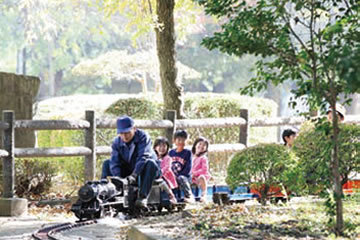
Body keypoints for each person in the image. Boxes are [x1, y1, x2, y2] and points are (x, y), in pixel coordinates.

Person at [101, 115, 160, 207]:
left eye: (127, 133)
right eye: (121, 133)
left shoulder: (143, 137)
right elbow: (114, 161)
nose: (124, 136)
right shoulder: (116, 142)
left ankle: (143, 197)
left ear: (134, 129)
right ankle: (105, 194)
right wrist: (118, 178)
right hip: (129, 167)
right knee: (107, 163)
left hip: (146, 169)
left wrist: (134, 175)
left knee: (150, 163)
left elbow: (143, 157)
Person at [169, 130, 194, 203]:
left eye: (184, 140)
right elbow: (168, 165)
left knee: (181, 178)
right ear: (174, 141)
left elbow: (188, 167)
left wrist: (180, 175)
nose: (181, 142)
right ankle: (173, 197)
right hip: (173, 175)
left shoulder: (187, 152)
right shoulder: (171, 152)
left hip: (185, 177)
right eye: (179, 140)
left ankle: (189, 195)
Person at [153, 137, 178, 204]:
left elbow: (167, 168)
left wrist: (160, 173)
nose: (162, 148)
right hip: (155, 176)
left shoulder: (168, 158)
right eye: (160, 146)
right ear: (155, 147)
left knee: (161, 181)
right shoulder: (153, 158)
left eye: (164, 146)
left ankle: (171, 195)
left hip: (166, 177)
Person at [191, 137, 211, 202]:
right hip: (192, 177)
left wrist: (194, 173)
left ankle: (204, 194)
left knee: (201, 177)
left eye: (204, 145)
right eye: (200, 144)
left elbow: (204, 170)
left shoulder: (203, 158)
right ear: (195, 145)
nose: (201, 146)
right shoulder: (190, 156)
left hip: (201, 176)